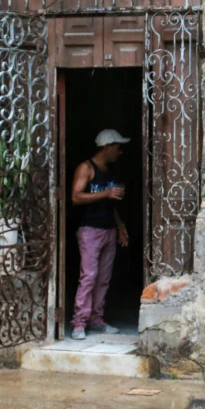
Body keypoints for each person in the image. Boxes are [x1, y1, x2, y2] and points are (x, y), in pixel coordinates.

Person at [70, 129, 131, 340]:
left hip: (108, 230)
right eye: (118, 147)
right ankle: (79, 323)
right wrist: (105, 193)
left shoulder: (110, 171)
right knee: (88, 277)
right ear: (107, 146)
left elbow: (111, 204)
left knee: (103, 279)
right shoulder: (86, 168)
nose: (120, 152)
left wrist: (120, 226)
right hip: (90, 230)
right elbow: (75, 197)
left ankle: (96, 320)